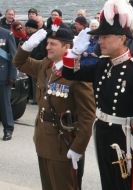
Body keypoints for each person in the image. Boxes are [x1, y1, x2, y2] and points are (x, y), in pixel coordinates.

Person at [62, 0, 133, 189]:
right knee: (107, 183)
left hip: (124, 138)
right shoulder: (103, 64)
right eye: (99, 37)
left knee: (123, 185)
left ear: (122, 38)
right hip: (103, 132)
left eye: (105, 37)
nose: (100, 41)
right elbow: (69, 73)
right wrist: (74, 51)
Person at [12, 26, 95, 189]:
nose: (47, 47)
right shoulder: (46, 65)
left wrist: (78, 148)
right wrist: (27, 46)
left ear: (66, 47)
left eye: (52, 44)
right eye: (47, 43)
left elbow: (88, 116)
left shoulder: (77, 73)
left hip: (63, 144)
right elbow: (19, 62)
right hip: (43, 140)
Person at [0, 27, 17, 141]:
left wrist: (12, 76)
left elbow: (14, 57)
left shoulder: (7, 34)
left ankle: (8, 130)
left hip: (3, 75)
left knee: (5, 104)